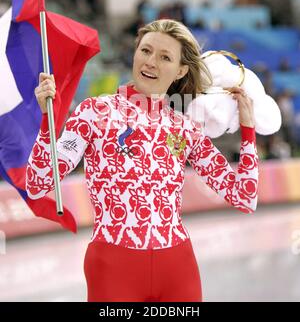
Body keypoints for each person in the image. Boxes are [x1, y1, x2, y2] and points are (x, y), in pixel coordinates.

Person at [26, 19, 258, 302]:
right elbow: (38, 183)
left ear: (181, 70)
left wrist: (248, 130)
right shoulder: (95, 112)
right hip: (113, 269)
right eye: (146, 51)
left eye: (165, 57)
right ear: (135, 52)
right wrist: (45, 123)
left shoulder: (184, 127)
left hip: (178, 269)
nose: (151, 62)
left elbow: (244, 197)